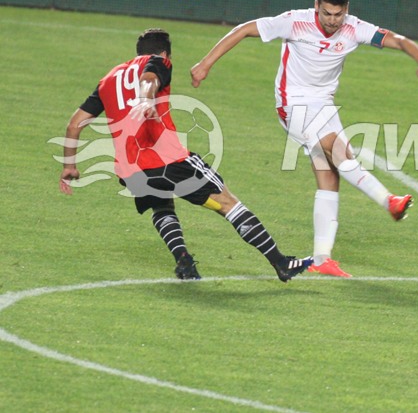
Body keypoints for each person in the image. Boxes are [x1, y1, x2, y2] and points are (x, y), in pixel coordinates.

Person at [191, 0, 418, 277]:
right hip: (292, 104)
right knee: (339, 151)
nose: (332, 21)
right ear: (317, 6)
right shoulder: (294, 22)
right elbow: (243, 29)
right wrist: (205, 64)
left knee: (329, 173)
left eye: (338, 14)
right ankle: (389, 202)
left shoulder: (354, 28)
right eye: (327, 13)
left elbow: (397, 40)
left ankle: (321, 259)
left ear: (346, 9)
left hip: (324, 105)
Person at [59, 29, 311, 282]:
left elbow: (74, 124)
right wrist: (146, 99)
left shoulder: (108, 79)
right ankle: (281, 263)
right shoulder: (158, 61)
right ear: (164, 54)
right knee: (227, 204)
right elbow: (149, 78)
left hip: (131, 170)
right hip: (169, 161)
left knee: (161, 204)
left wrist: (69, 165)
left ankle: (183, 261)